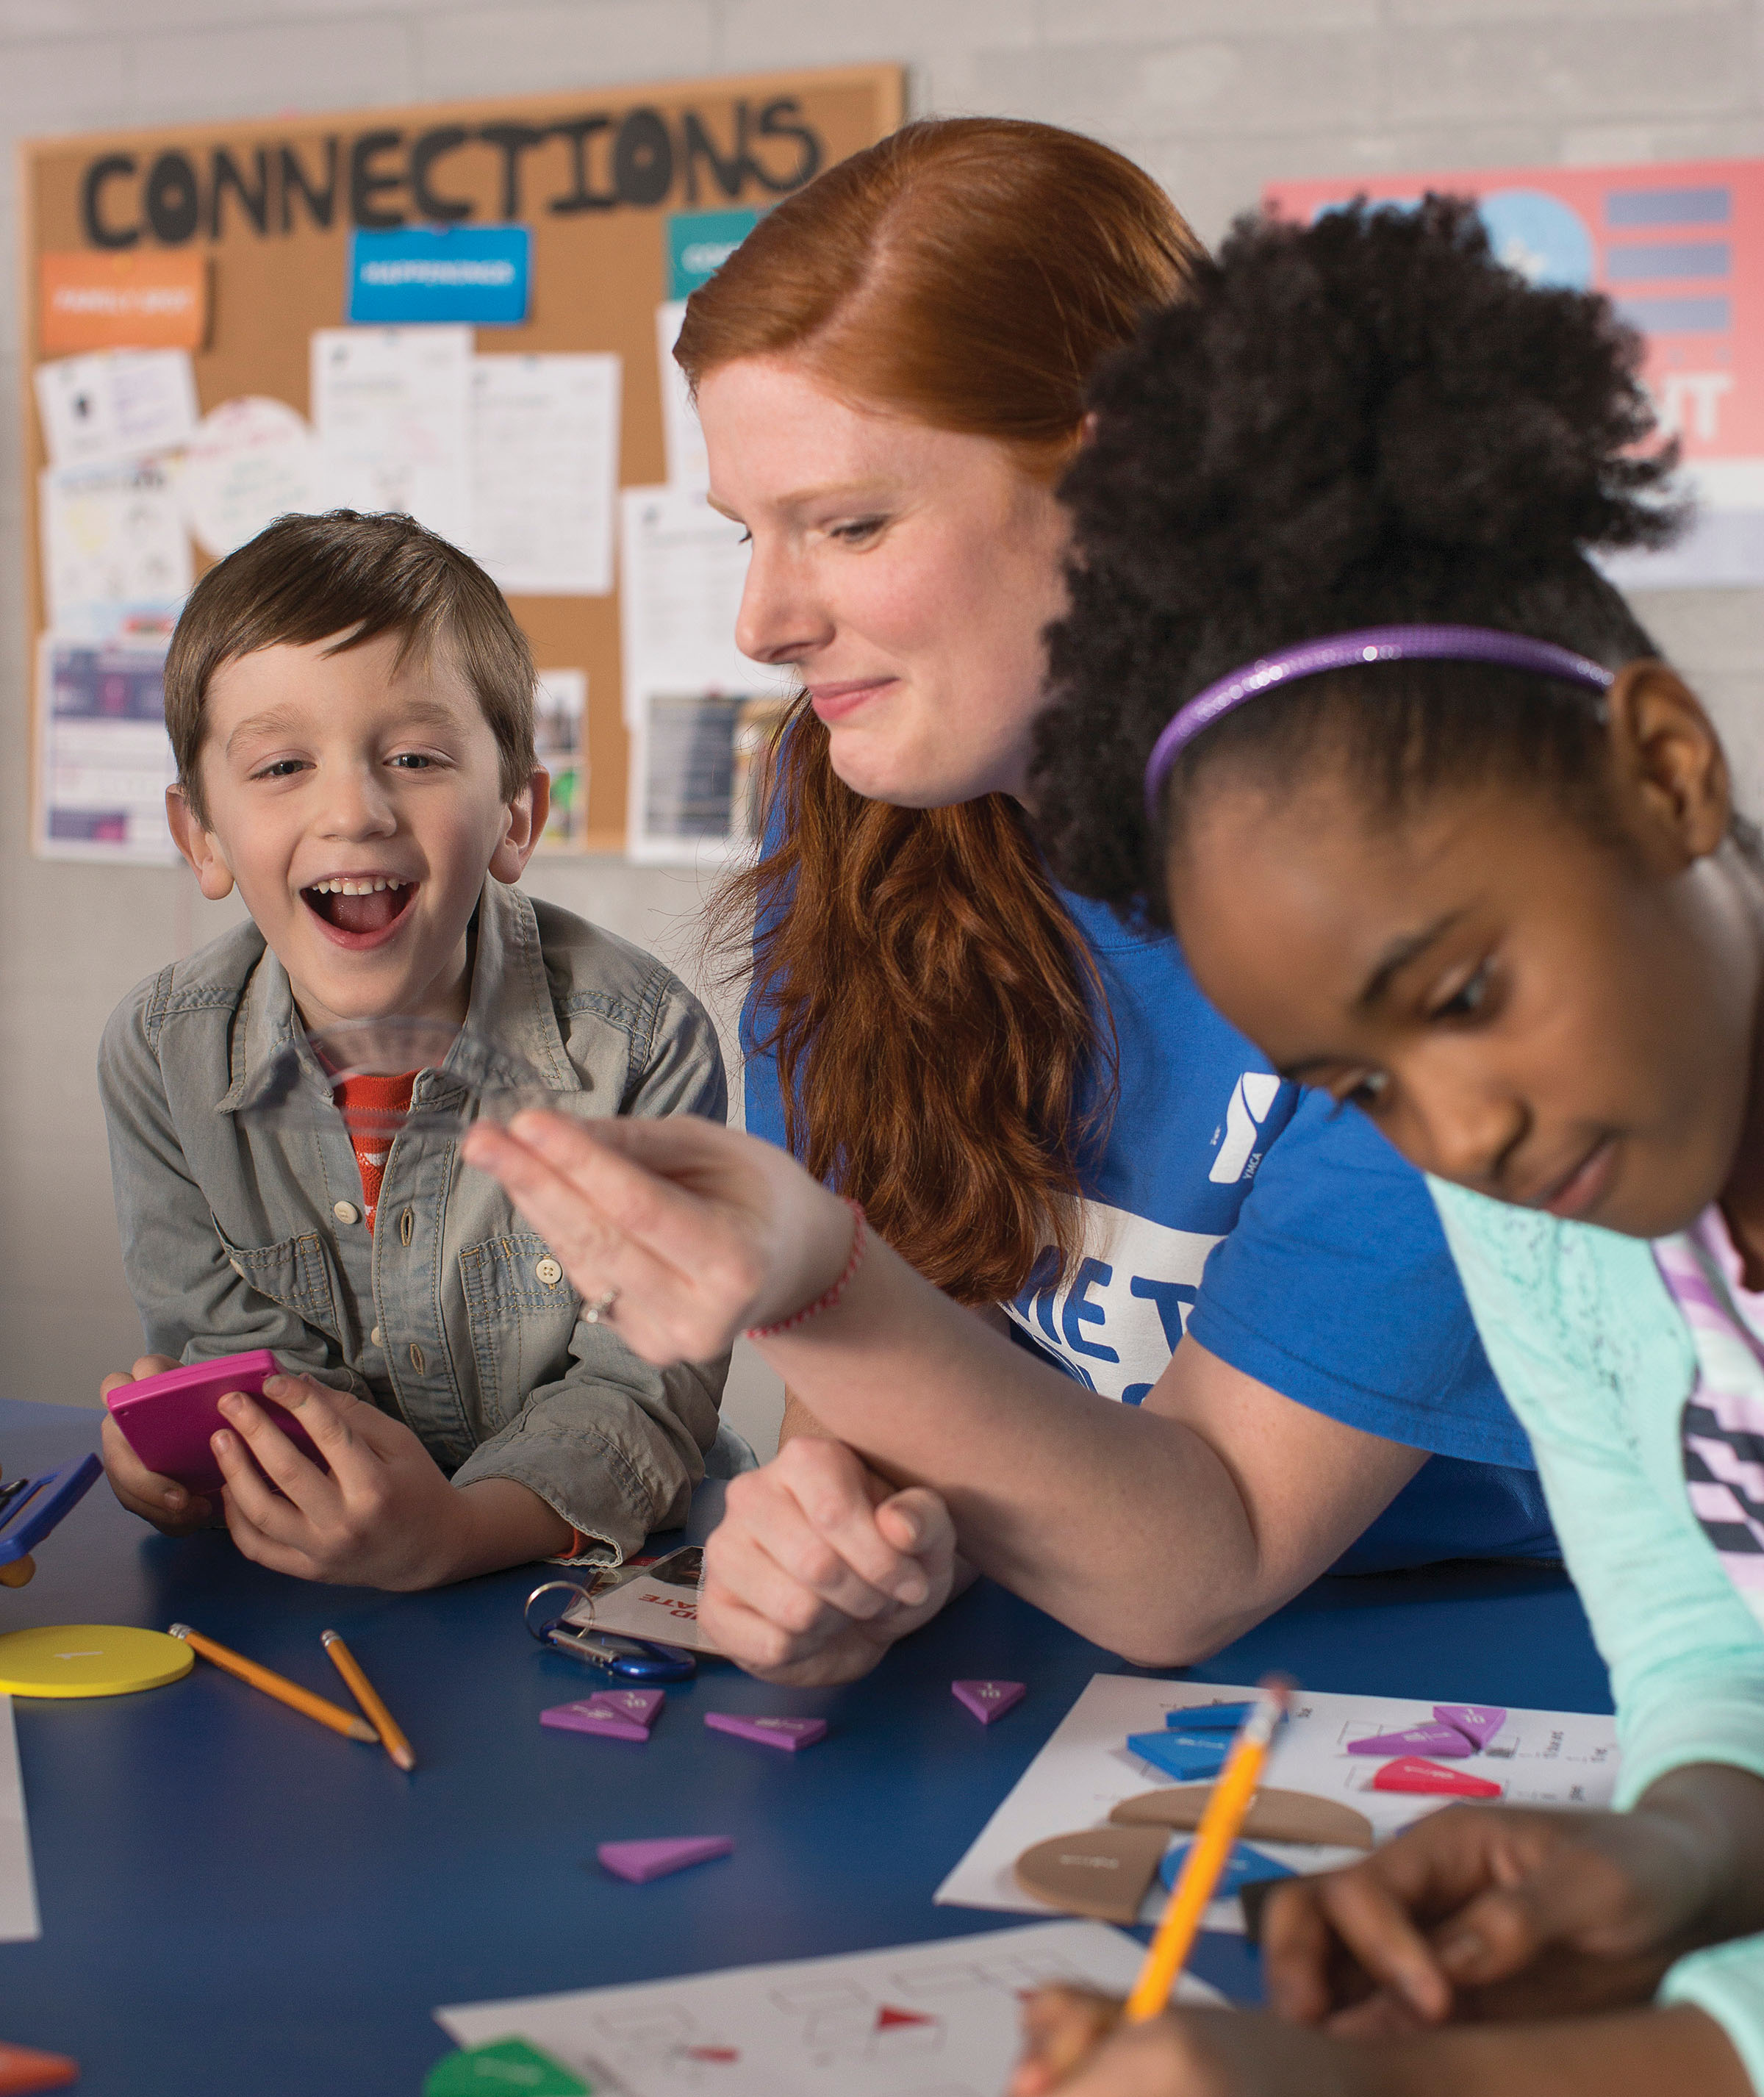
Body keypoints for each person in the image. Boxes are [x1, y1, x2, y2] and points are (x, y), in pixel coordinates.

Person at [995, 197, 1764, 2097]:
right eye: (1360, 1087)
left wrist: (1421, 2096)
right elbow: (1696, 1630)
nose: (1463, 1131)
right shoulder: (1565, 1203)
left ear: (1667, 771)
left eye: (1468, 986)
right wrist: (1659, 1859)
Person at [680, 112, 1554, 1679]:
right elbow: (904, 1361)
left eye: (850, 522)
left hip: (1543, 1658)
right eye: (748, 533)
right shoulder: (865, 793)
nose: (763, 620)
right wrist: (835, 1533)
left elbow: (1207, 1557)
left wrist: (808, 1283)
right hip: (1084, 1607)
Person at [97, 510, 732, 1590]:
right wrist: (201, 1458)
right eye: (283, 764)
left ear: (516, 818)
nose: (354, 809)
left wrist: (452, 1531)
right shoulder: (162, 1056)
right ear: (201, 836)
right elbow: (233, 1369)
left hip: (582, 1572)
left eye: (416, 756)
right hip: (310, 1579)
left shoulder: (642, 1041)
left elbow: (640, 1390)